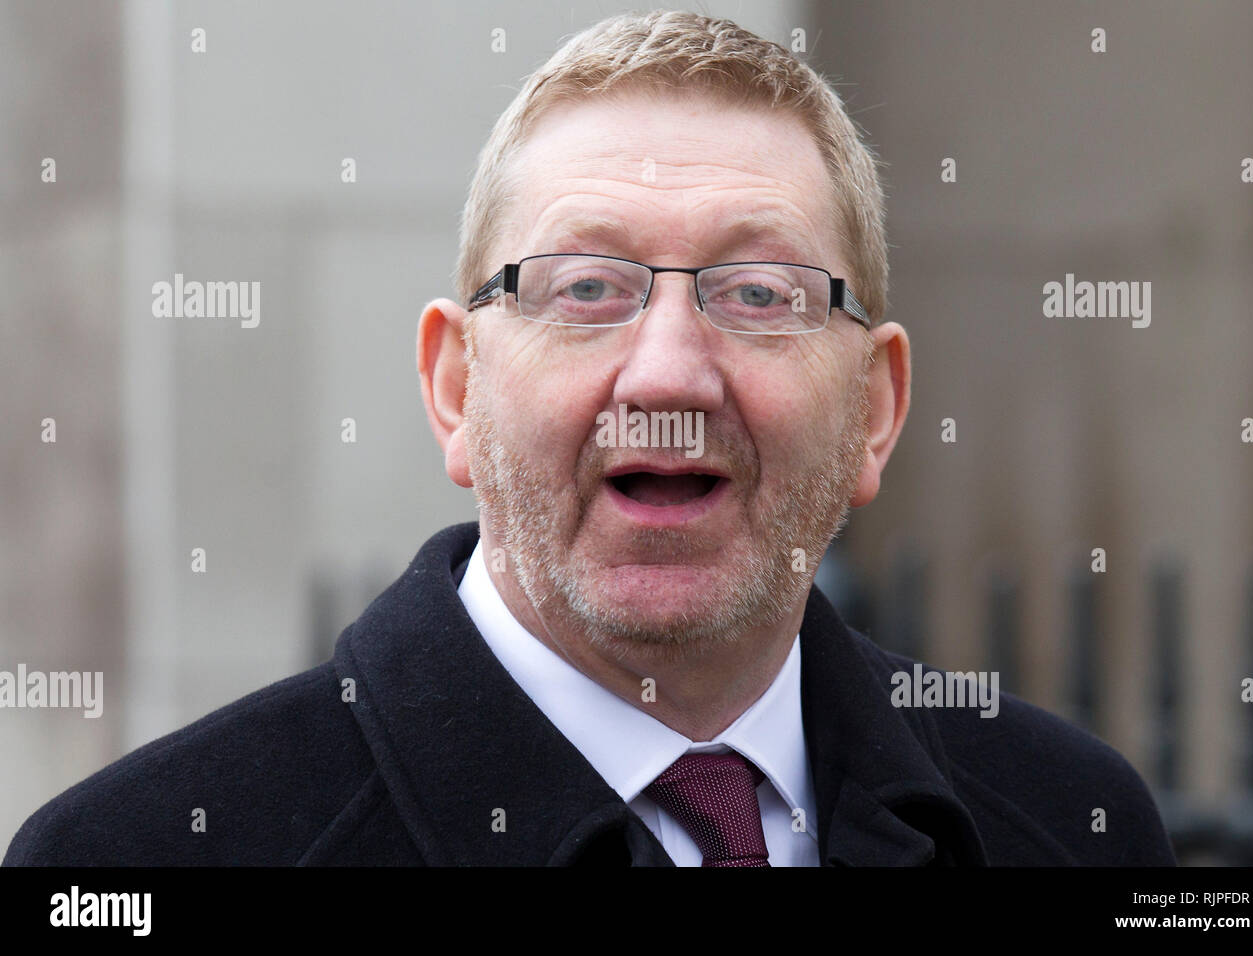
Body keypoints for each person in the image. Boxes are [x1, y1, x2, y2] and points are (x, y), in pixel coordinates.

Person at [4, 10, 1174, 867]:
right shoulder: (137, 859)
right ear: (455, 387)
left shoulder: (1073, 826)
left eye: (759, 292)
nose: (668, 368)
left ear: (873, 409)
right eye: (585, 287)